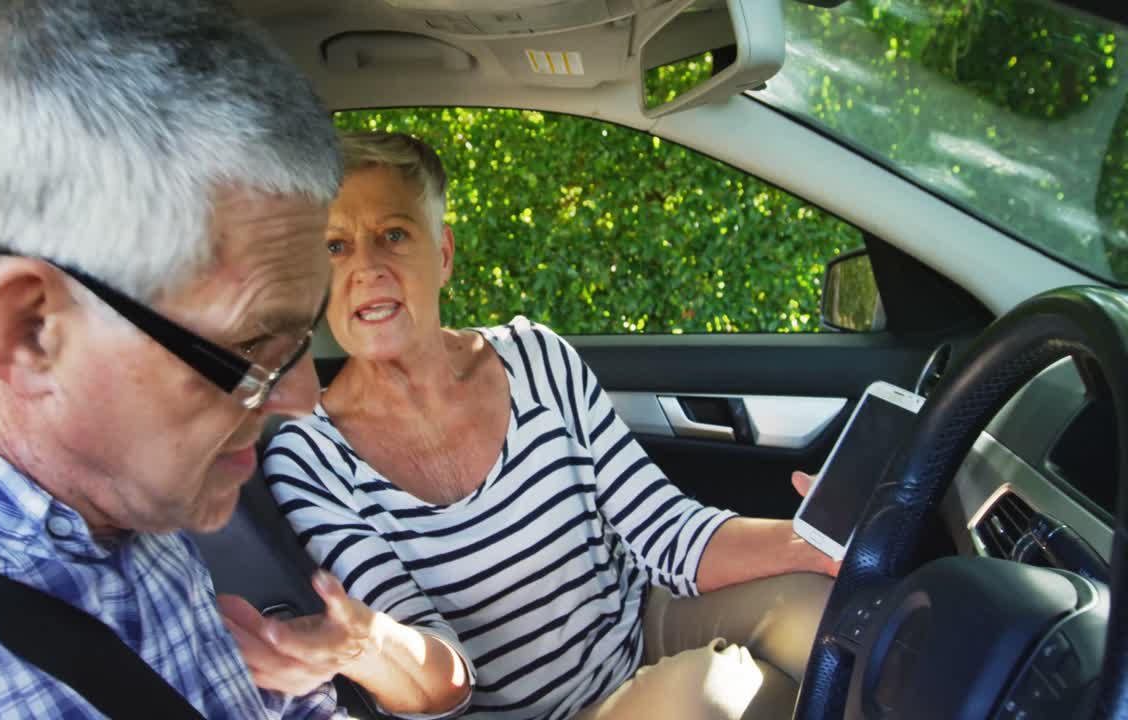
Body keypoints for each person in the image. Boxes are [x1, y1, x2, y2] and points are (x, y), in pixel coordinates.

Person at [0, 0, 360, 716]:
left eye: (300, 341)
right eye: (251, 348)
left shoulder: (111, 490)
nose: (301, 396)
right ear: (31, 332)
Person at [251, 131, 838, 720]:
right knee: (710, 692)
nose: (366, 267)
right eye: (334, 247)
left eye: (394, 235)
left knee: (826, 610)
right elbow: (443, 686)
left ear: (444, 254)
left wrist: (810, 541)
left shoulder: (535, 357)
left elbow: (665, 531)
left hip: (637, 633)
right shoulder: (309, 455)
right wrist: (371, 646)